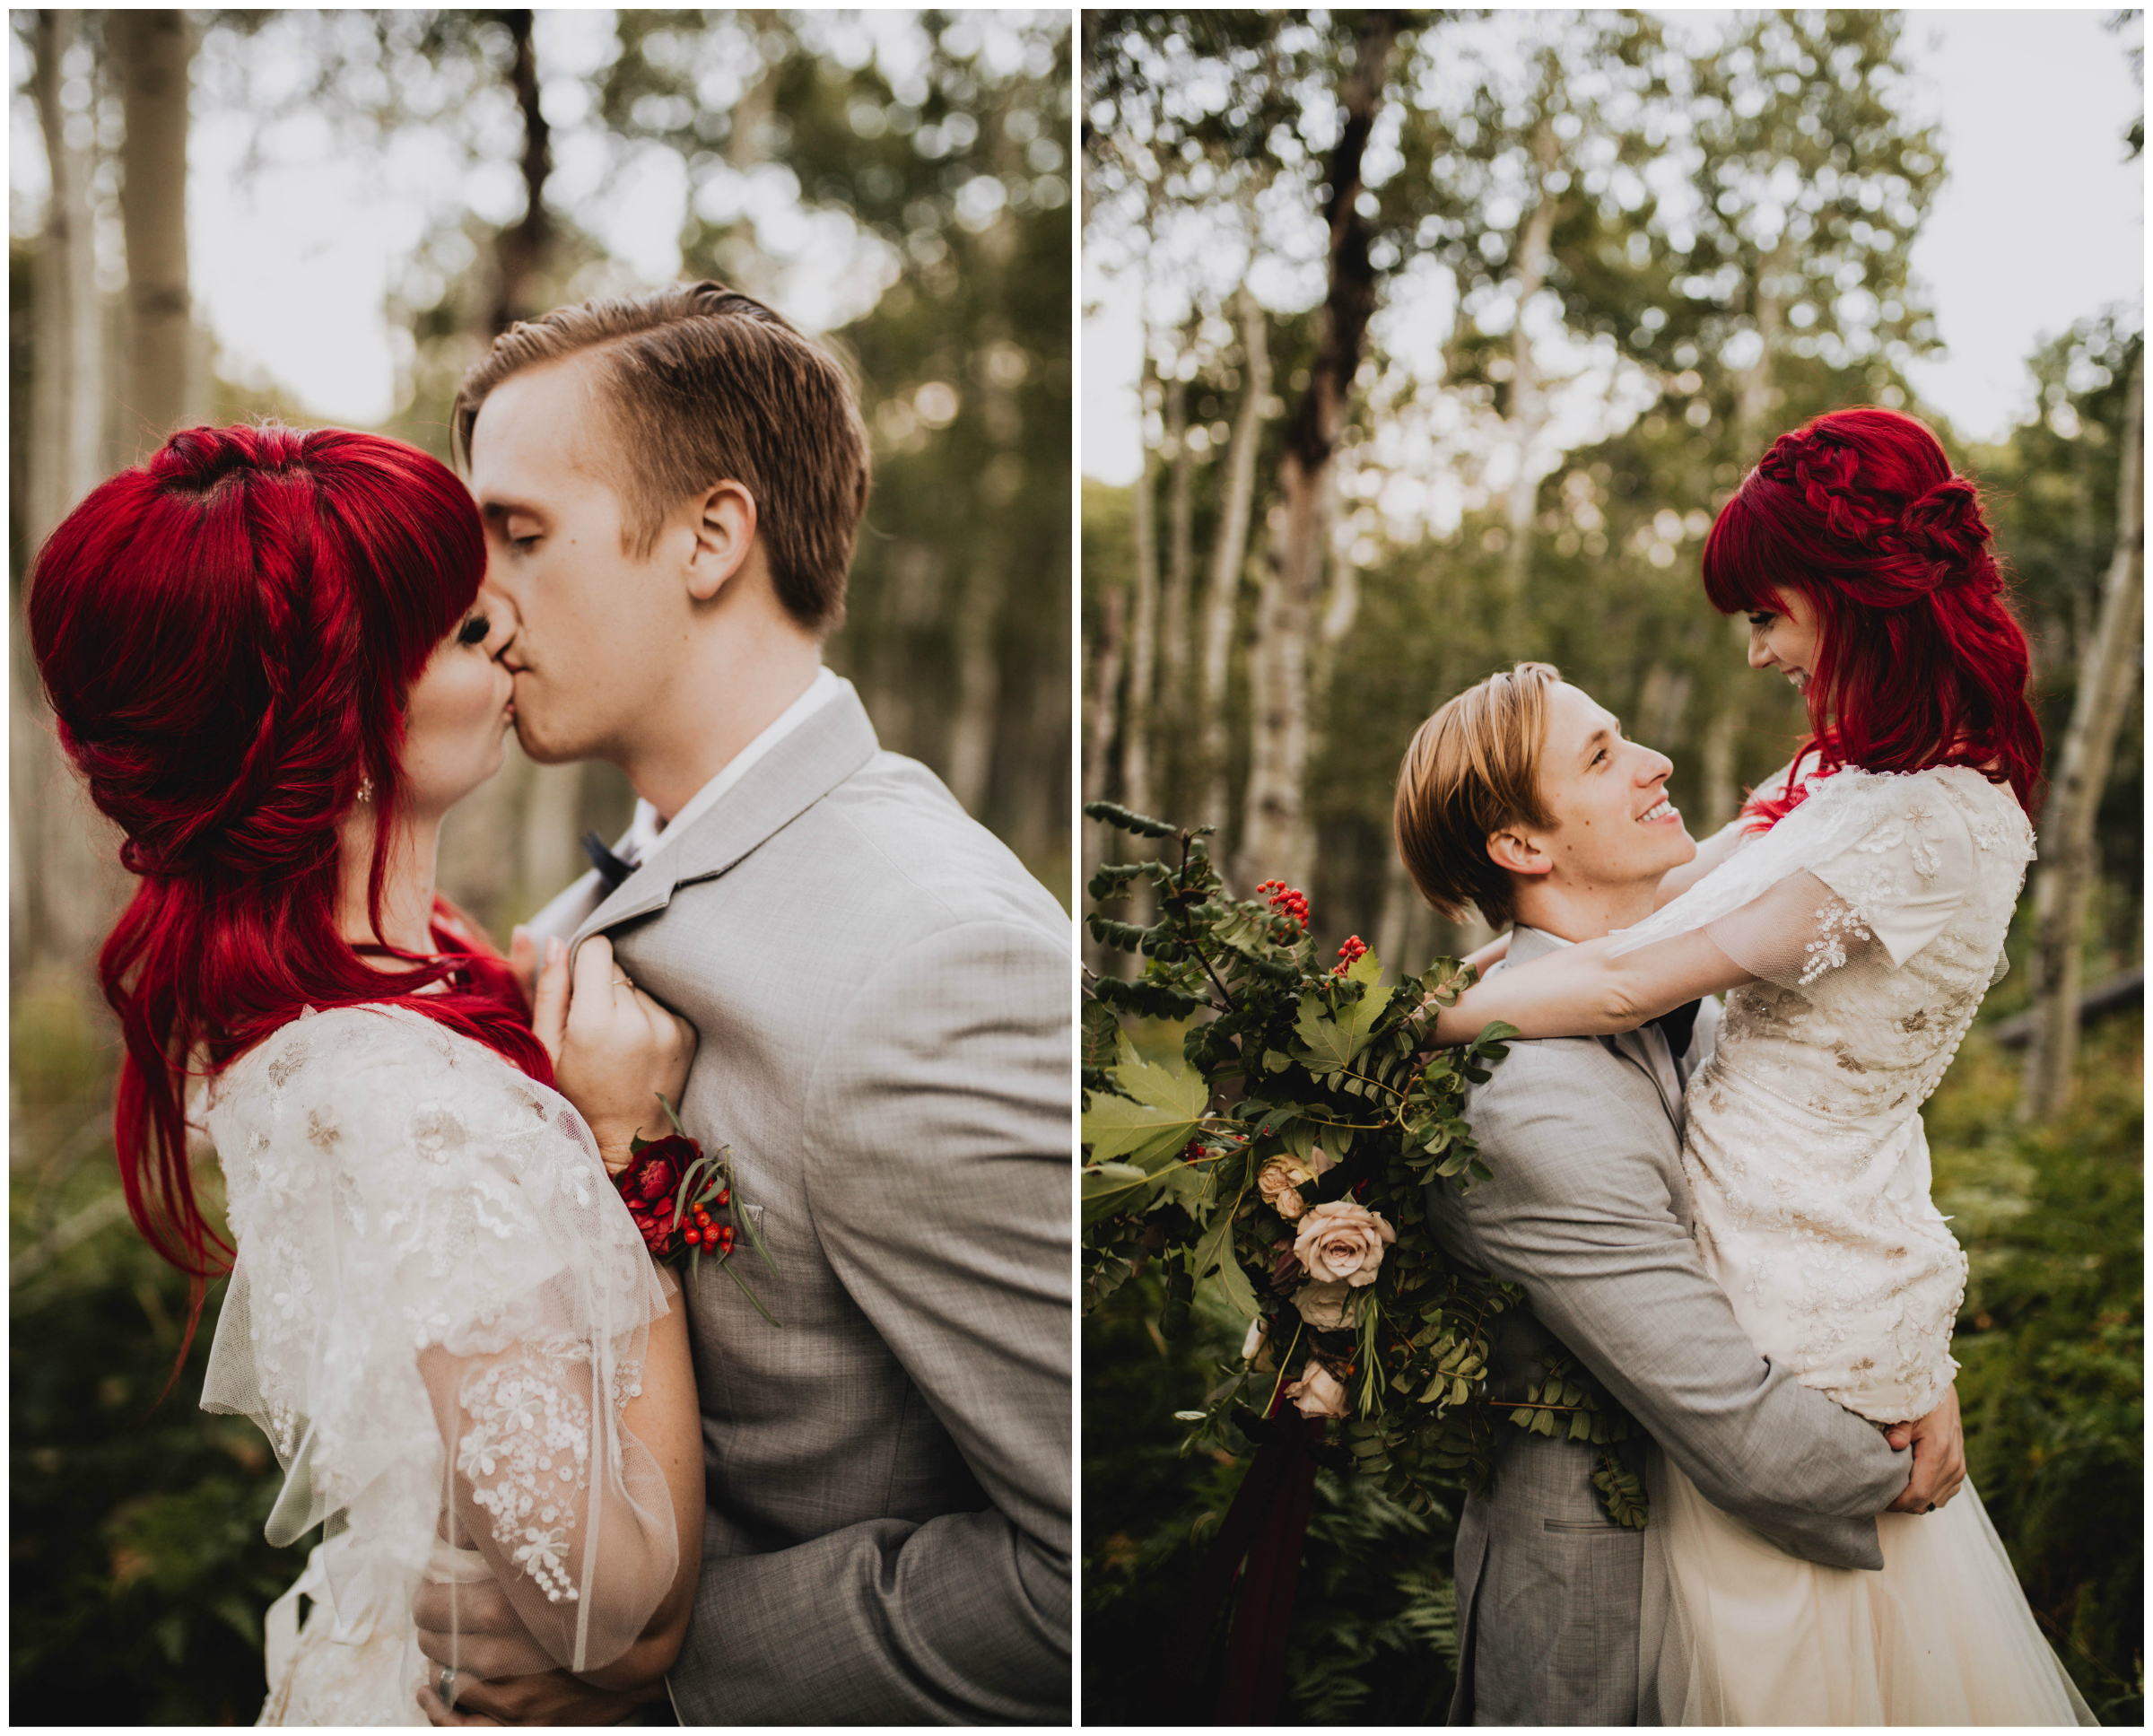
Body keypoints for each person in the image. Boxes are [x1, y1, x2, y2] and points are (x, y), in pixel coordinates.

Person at [412, 282, 1072, 1725]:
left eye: (523, 536)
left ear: (711, 537)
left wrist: (649, 1660)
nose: (481, 601)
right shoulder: (596, 903)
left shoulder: (935, 964)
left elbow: (1076, 1576)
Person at [1412, 408, 2093, 1723]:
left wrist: (1902, 1352)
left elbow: (1657, 983)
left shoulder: (1905, 820)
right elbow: (1669, 938)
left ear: (1849, 597)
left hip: (1817, 1341)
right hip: (1736, 1450)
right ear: (1520, 843)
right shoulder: (1846, 790)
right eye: (1605, 755)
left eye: (1767, 614)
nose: (1759, 652)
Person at [26, 424, 708, 1723]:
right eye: (459, 632)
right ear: (333, 743)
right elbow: (622, 1618)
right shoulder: (406, 1114)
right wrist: (632, 1149)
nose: (506, 633)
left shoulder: (346, 998)